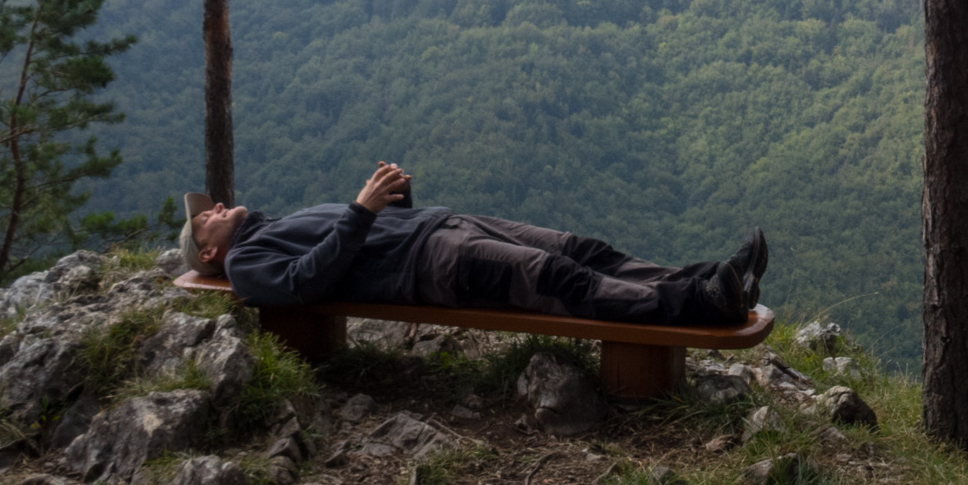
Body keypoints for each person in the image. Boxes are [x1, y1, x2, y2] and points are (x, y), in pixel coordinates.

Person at [180, 162, 765, 326]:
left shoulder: (267, 227)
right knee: (557, 279)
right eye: (209, 218)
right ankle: (699, 306)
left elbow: (358, 239)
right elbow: (306, 283)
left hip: (443, 227)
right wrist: (360, 209)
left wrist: (395, 202)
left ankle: (710, 278)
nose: (219, 207)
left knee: (580, 249)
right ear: (209, 253)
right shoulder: (251, 263)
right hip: (434, 265)